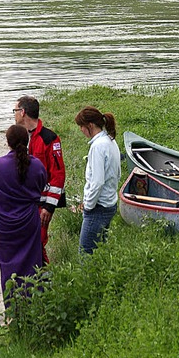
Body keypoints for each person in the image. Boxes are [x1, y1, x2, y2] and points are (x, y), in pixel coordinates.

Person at [0, 125, 47, 302]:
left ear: (8, 142)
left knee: (7, 265)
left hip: (4, 224)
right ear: (27, 141)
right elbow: (41, 185)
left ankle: (12, 306)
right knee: (31, 262)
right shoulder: (36, 165)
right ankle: (32, 303)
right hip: (29, 220)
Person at [13, 95, 66, 263]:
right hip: (24, 202)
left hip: (41, 205)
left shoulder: (49, 138)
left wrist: (49, 207)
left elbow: (58, 174)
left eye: (15, 111)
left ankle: (43, 281)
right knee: (23, 242)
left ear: (22, 112)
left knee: (38, 243)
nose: (13, 114)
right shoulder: (19, 137)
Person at [75, 106, 121, 255]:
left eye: (81, 126)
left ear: (90, 125)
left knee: (86, 252)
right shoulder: (110, 141)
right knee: (100, 250)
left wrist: (88, 206)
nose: (81, 130)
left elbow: (97, 182)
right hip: (110, 203)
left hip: (98, 208)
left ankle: (88, 278)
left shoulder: (97, 147)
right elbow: (117, 173)